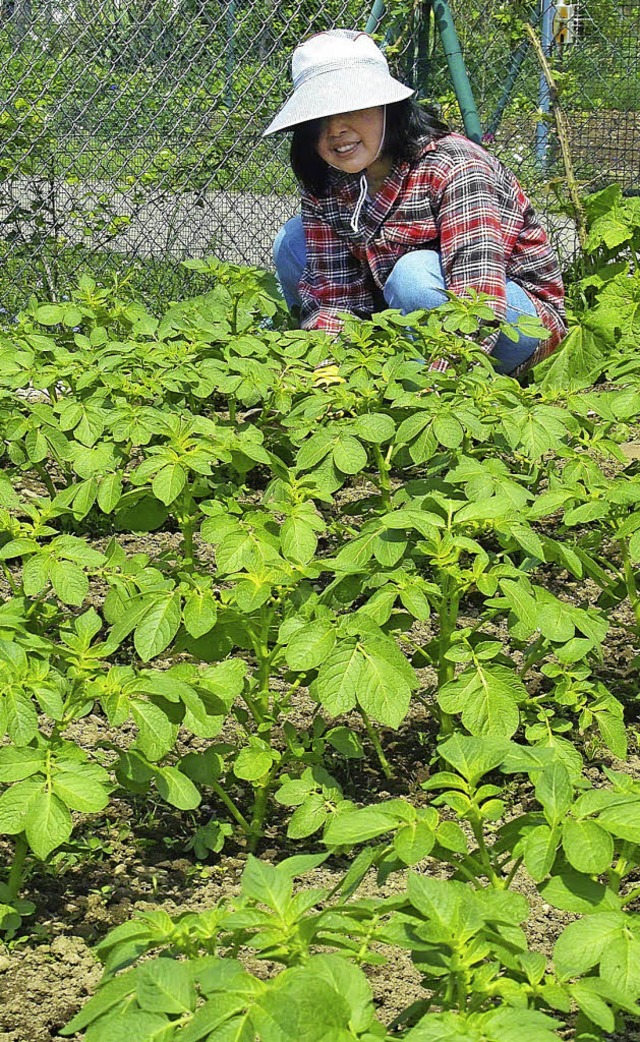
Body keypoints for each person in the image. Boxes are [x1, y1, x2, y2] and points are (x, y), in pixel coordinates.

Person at [263, 29, 567, 377]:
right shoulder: (327, 179)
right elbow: (334, 296)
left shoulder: (455, 166)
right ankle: (379, 367)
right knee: (292, 241)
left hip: (508, 319)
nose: (335, 130)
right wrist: (328, 367)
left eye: (350, 107)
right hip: (403, 312)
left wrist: (430, 397)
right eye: (318, 118)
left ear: (387, 107)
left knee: (413, 275)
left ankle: (436, 378)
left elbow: (477, 299)